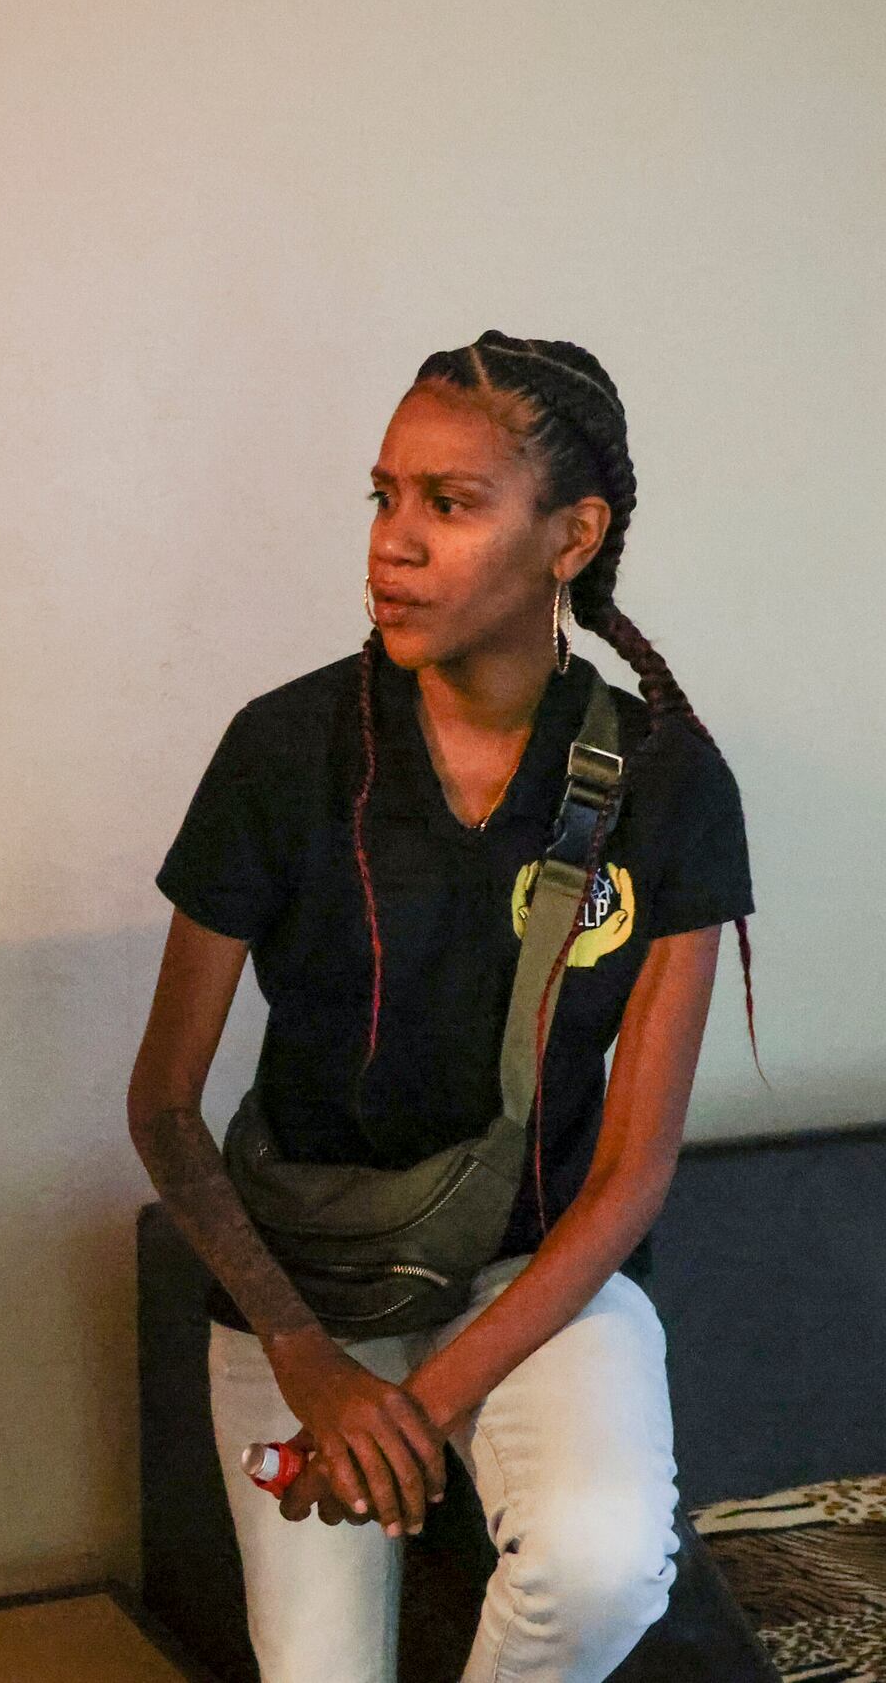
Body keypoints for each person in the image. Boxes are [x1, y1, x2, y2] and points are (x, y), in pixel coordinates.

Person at [127, 334, 754, 1682]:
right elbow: (165, 1105)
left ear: (572, 535)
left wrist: (417, 1408)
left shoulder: (667, 782)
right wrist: (308, 1361)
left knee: (600, 1564)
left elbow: (634, 1169)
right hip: (301, 1283)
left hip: (535, 1271)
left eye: (450, 504)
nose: (391, 545)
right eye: (384, 497)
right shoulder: (283, 750)